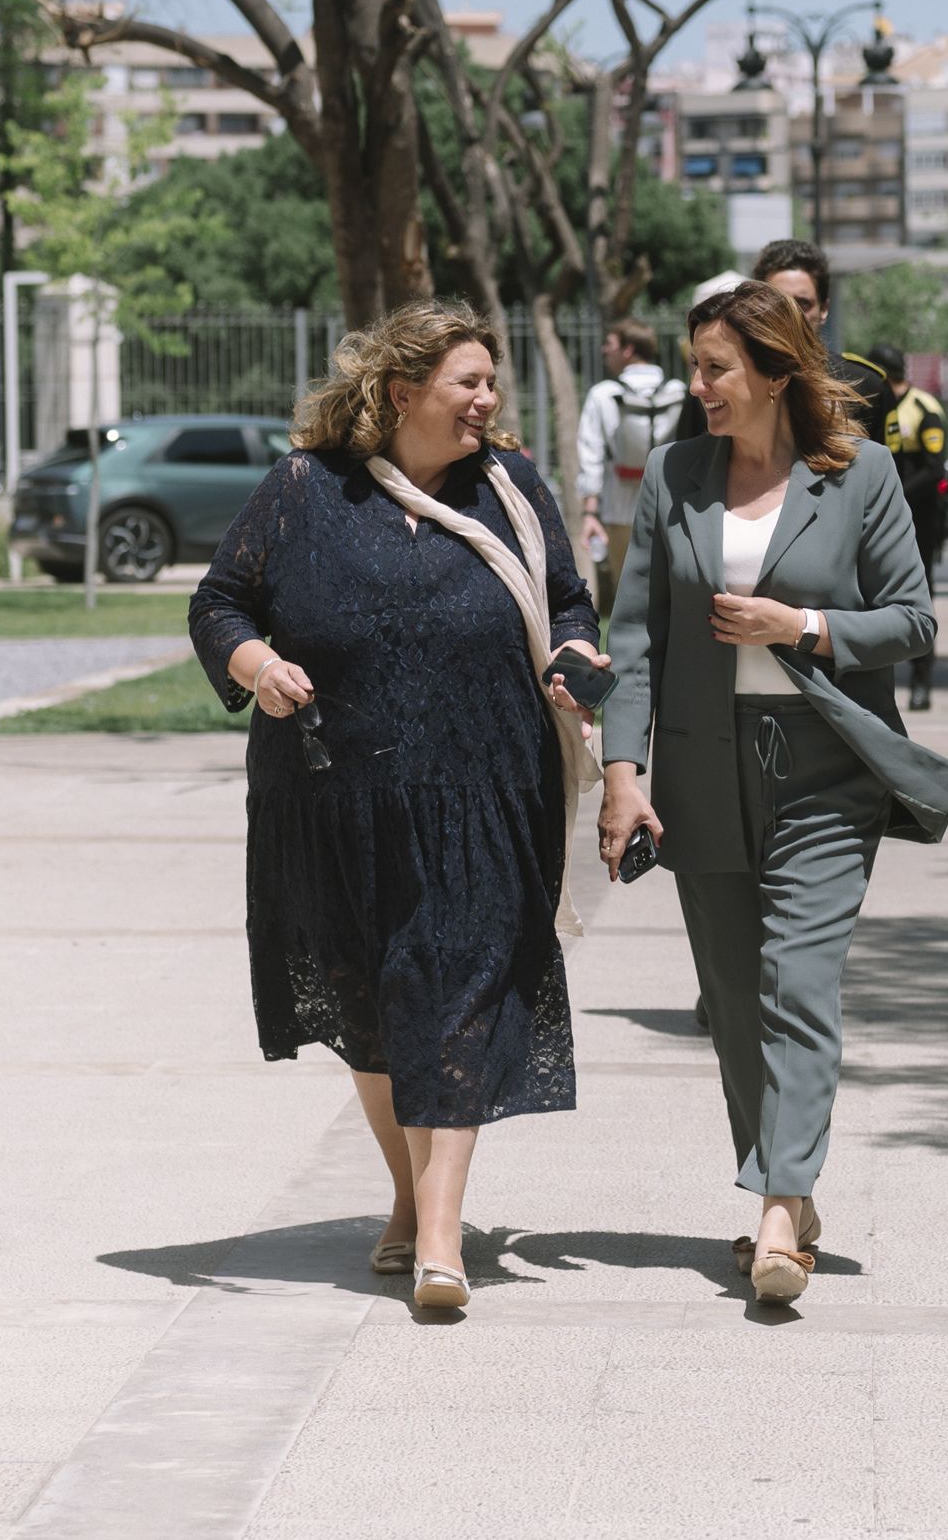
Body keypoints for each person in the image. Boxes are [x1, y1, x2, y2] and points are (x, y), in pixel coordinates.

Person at [188, 300, 610, 1313]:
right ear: (401, 391)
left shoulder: (512, 489)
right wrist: (255, 660)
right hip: (335, 797)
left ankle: (438, 1238)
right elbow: (219, 603)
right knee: (376, 1009)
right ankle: (405, 1194)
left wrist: (573, 654)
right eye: (468, 382)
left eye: (490, 382)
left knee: (456, 996)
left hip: (485, 794)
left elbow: (567, 601)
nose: (487, 401)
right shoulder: (304, 490)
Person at [598, 280, 948, 1307]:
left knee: (797, 983)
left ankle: (774, 1208)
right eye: (695, 365)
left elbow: (912, 620)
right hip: (702, 764)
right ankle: (790, 1197)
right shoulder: (676, 473)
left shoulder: (861, 474)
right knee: (733, 1002)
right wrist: (623, 777)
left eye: (716, 367)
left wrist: (799, 627)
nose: (698, 384)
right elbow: (635, 637)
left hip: (826, 765)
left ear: (771, 370)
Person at [574, 318, 688, 625]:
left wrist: (590, 513)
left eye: (609, 344)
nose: (603, 350)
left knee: (629, 591)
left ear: (628, 349)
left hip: (619, 509)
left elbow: (591, 453)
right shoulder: (678, 390)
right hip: (671, 504)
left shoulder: (603, 393)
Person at [752, 237, 895, 447]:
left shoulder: (866, 387)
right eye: (779, 302)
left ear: (824, 309)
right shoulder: (719, 385)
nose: (792, 314)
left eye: (803, 303)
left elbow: (890, 474)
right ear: (756, 305)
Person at [875, 343, 948, 708]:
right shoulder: (873, 402)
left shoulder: (924, 408)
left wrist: (896, 495)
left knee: (919, 597)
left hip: (919, 516)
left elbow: (935, 469)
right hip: (876, 517)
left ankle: (922, 682)